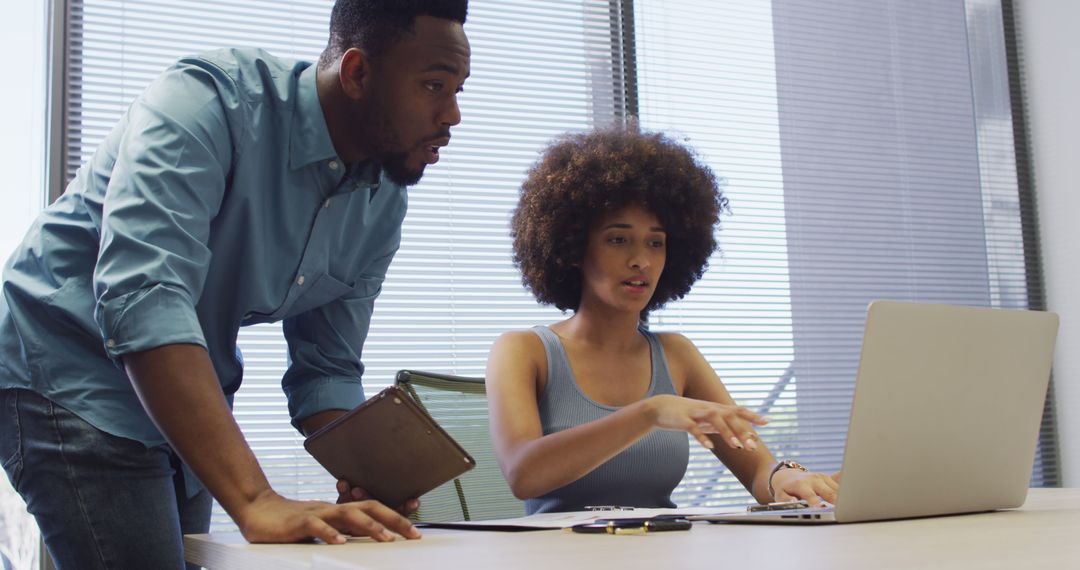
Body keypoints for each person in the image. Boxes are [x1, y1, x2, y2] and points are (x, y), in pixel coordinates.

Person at [0, 0, 470, 567]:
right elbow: (144, 297)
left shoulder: (382, 200)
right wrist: (255, 499)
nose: (452, 115)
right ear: (357, 73)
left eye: (458, 89)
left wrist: (372, 473)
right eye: (433, 85)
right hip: (66, 361)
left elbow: (327, 370)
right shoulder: (206, 101)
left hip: (184, 390)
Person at [486, 126, 840, 514]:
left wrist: (786, 478)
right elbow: (523, 474)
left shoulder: (676, 353)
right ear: (572, 248)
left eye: (656, 242)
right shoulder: (523, 350)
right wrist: (649, 412)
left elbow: (758, 473)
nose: (642, 260)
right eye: (618, 239)